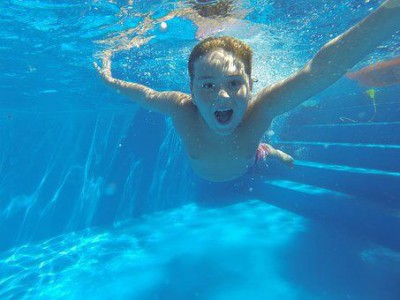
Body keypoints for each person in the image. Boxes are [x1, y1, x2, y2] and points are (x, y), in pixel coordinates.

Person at [95, 0, 399, 182]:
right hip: (239, 158)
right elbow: (145, 94)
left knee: (254, 146)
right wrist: (110, 81)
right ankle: (266, 149)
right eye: (208, 85)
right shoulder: (181, 108)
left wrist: (390, 12)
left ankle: (266, 150)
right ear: (191, 88)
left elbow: (317, 72)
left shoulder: (260, 110)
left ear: (251, 86)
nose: (222, 96)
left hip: (246, 162)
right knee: (252, 144)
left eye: (234, 83)